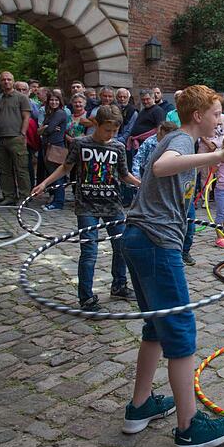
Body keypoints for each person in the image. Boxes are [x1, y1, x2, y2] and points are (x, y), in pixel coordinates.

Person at [118, 85, 224, 447]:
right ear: (198, 115)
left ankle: (140, 406)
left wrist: (217, 152)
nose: (219, 119)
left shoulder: (188, 141)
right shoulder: (180, 139)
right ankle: (189, 429)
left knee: (156, 327)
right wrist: (219, 153)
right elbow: (161, 167)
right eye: (216, 112)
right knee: (180, 330)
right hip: (157, 242)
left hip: (139, 238)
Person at [32, 105, 141, 310]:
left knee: (122, 247)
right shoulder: (81, 144)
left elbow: (124, 174)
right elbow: (66, 167)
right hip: (86, 206)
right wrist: (45, 183)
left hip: (113, 204)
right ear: (96, 124)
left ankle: (119, 286)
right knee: (89, 251)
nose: (110, 134)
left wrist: (141, 185)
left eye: (114, 131)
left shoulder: (117, 147)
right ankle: (86, 297)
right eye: (107, 130)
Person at [0, 72, 32, 205]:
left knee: (21, 169)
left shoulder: (21, 97)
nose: (6, 82)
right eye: (3, 80)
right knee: (4, 170)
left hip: (16, 137)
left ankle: (24, 197)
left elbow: (26, 117)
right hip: (0, 138)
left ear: (13, 81)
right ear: (0, 82)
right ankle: (9, 196)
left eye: (9, 79)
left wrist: (22, 134)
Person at [39, 90, 69, 210]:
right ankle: (55, 199)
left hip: (56, 147)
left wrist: (46, 128)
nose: (54, 102)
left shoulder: (60, 113)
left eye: (56, 100)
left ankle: (58, 202)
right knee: (51, 174)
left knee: (57, 176)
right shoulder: (50, 113)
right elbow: (41, 130)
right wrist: (46, 128)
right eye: (51, 100)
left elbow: (49, 129)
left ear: (60, 101)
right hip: (48, 146)